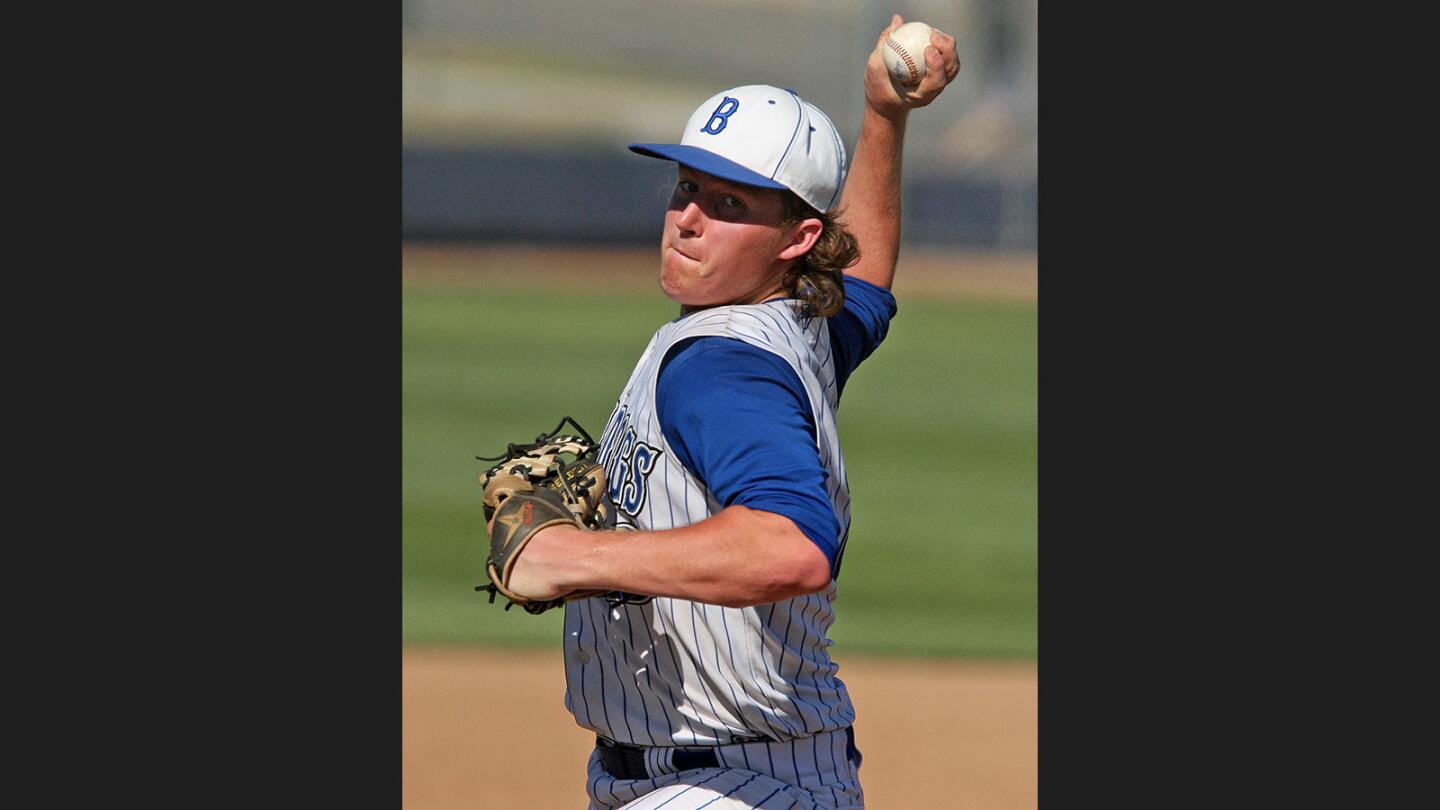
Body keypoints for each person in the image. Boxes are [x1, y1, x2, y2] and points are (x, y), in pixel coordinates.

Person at [493, 15, 959, 810]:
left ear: (797, 236)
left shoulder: (721, 365)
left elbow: (792, 545)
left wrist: (571, 557)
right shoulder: (799, 318)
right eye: (687, 187)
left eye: (728, 202)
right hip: (752, 774)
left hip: (725, 786)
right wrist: (885, 115)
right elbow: (868, 280)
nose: (688, 218)